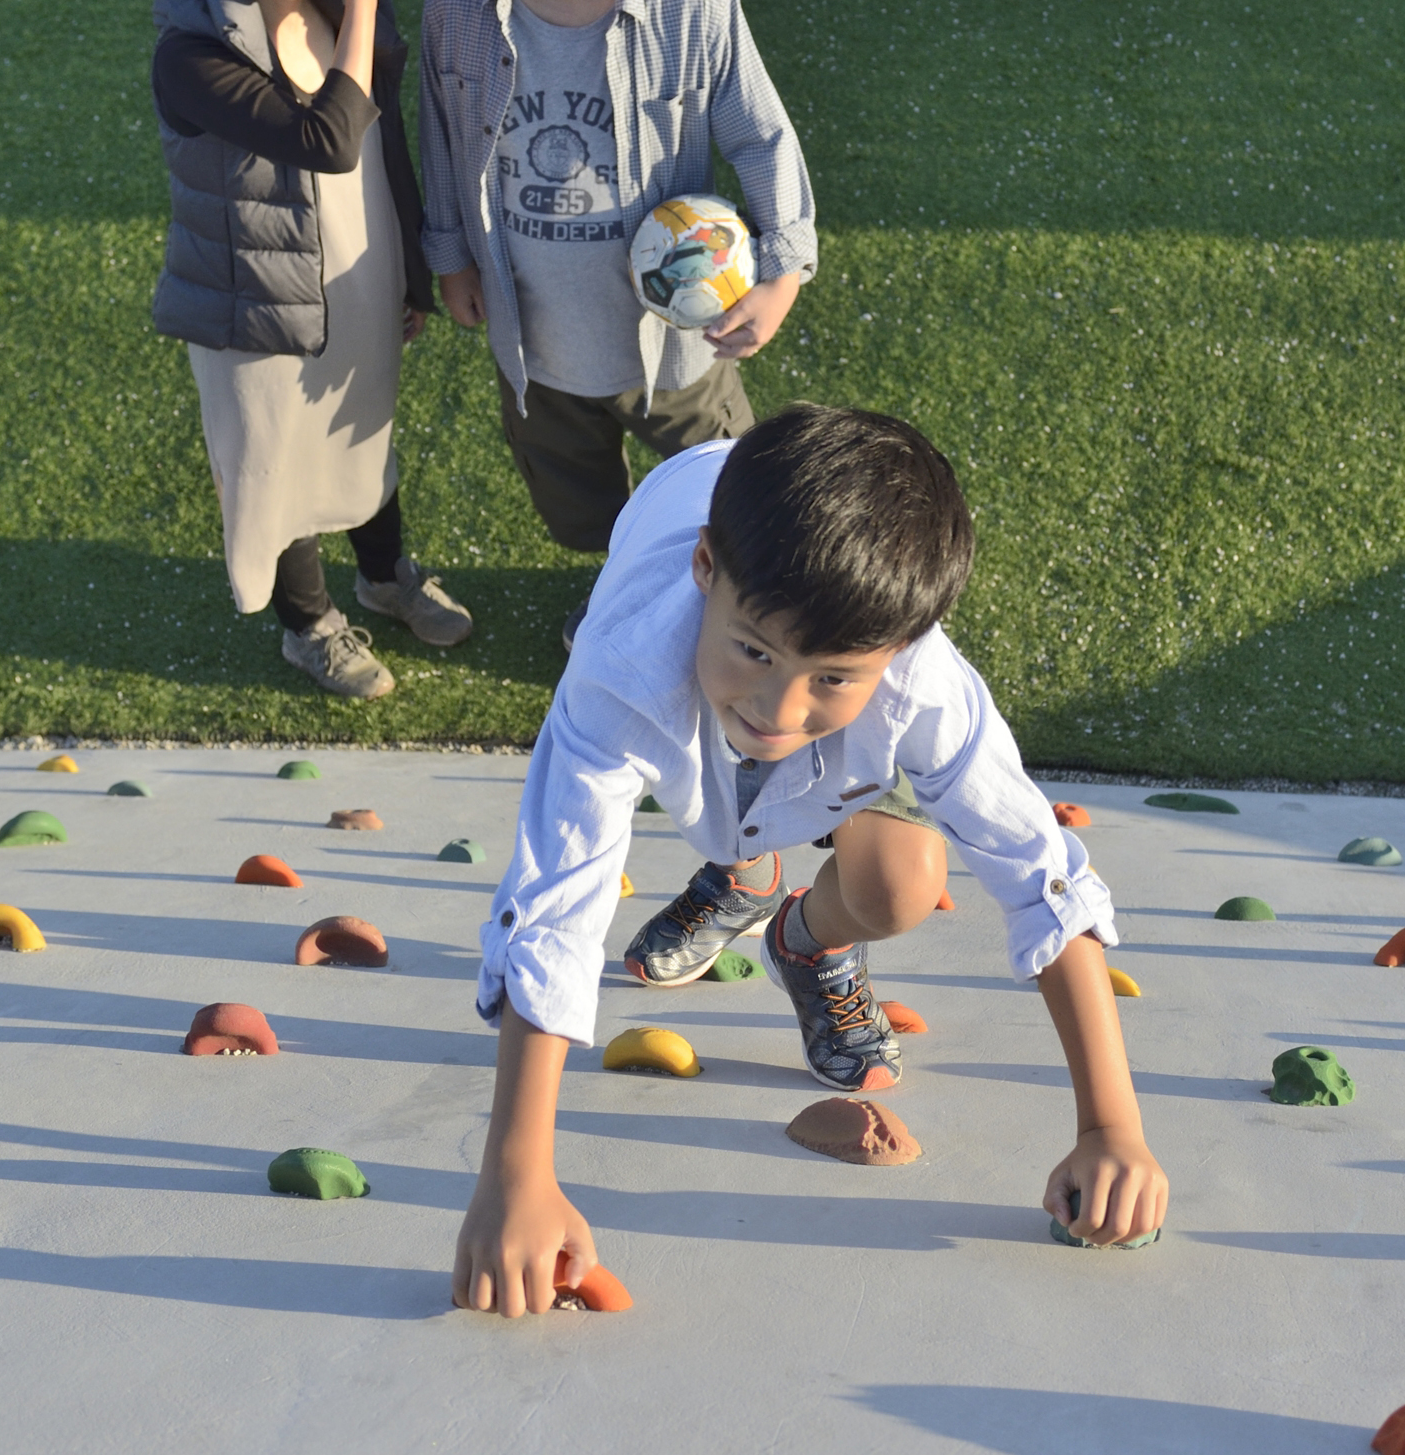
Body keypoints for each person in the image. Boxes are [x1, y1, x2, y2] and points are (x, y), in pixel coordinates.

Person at [451, 404, 1169, 1316]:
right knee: (726, 812)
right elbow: (558, 901)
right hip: (686, 566)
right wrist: (517, 1174)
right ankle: (740, 868)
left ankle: (796, 930)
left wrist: (1113, 1128)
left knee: (902, 886)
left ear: (901, 648)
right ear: (705, 568)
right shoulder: (619, 668)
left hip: (840, 724)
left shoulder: (921, 685)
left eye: (832, 674)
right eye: (754, 650)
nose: (779, 708)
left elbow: (1041, 871)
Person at [417, 0, 817, 649]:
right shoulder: (456, 3)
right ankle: (627, 594)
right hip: (537, 341)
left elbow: (760, 136)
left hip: (675, 341)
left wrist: (784, 268)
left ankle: (723, 627)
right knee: (579, 507)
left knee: (725, 495)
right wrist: (448, 254)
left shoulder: (693, 2)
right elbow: (442, 133)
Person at [149, 0, 473, 698]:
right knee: (275, 456)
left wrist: (406, 269)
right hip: (252, 295)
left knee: (361, 429)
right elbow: (328, 139)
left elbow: (379, 147)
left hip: (355, 271)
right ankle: (310, 626)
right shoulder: (192, 49)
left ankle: (383, 575)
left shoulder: (338, 15)